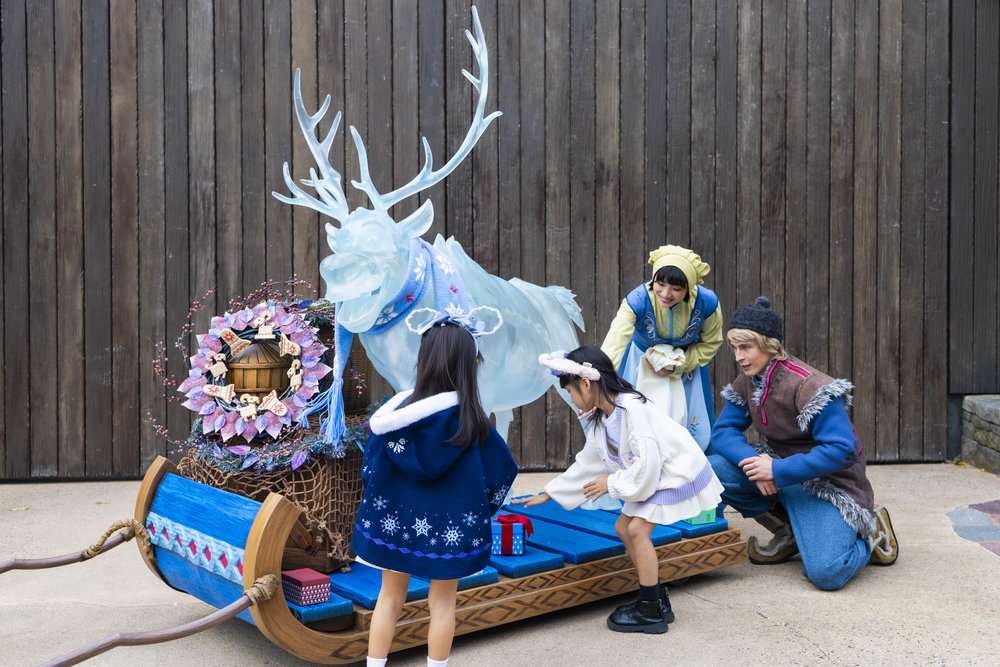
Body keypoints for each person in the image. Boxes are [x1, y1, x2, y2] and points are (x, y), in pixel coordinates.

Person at [512, 346, 723, 634]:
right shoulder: (604, 415)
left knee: (636, 530)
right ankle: (656, 598)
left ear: (586, 383)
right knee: (624, 528)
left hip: (676, 471)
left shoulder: (631, 408)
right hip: (657, 473)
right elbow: (590, 461)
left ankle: (649, 609)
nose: (572, 400)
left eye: (571, 392)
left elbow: (649, 463)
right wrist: (551, 491)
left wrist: (611, 484)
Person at [352, 306, 518, 667]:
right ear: (470, 365)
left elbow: (370, 470)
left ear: (423, 360)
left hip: (393, 526)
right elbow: (502, 472)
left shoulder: (392, 420)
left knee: (389, 597)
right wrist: (478, 511)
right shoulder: (473, 423)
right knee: (443, 603)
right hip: (451, 532)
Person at [708, 296, 899, 592]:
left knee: (827, 573)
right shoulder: (749, 378)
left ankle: (872, 531)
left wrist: (778, 470)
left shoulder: (810, 385)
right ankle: (790, 531)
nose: (738, 356)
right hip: (779, 472)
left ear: (769, 345)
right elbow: (723, 432)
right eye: (734, 348)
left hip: (828, 484)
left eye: (746, 347)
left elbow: (842, 450)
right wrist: (756, 464)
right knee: (712, 469)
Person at [601, 245, 723, 450]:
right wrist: (600, 379)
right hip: (640, 365)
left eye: (676, 288)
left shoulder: (706, 303)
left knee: (684, 429)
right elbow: (615, 341)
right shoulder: (637, 300)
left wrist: (681, 365)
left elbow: (711, 342)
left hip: (686, 370)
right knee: (636, 423)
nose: (666, 294)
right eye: (660, 283)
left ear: (689, 288)